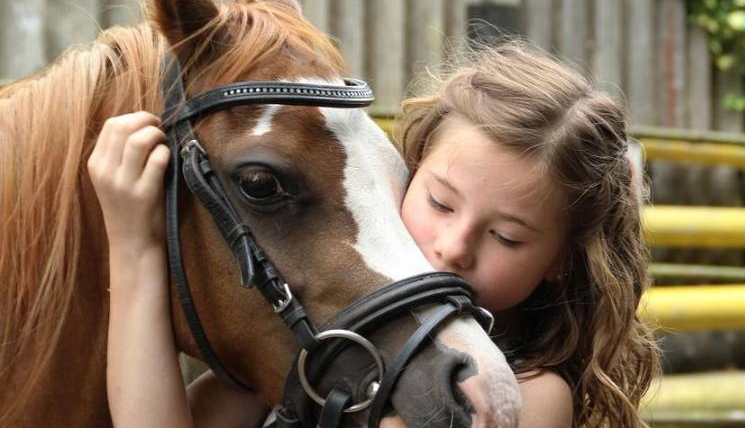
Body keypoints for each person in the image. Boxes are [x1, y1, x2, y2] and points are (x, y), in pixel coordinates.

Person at [89, 40, 660, 428]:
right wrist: (134, 245)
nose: (453, 246)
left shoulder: (529, 397)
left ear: (562, 259)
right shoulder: (322, 338)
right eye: (439, 202)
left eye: (506, 237)